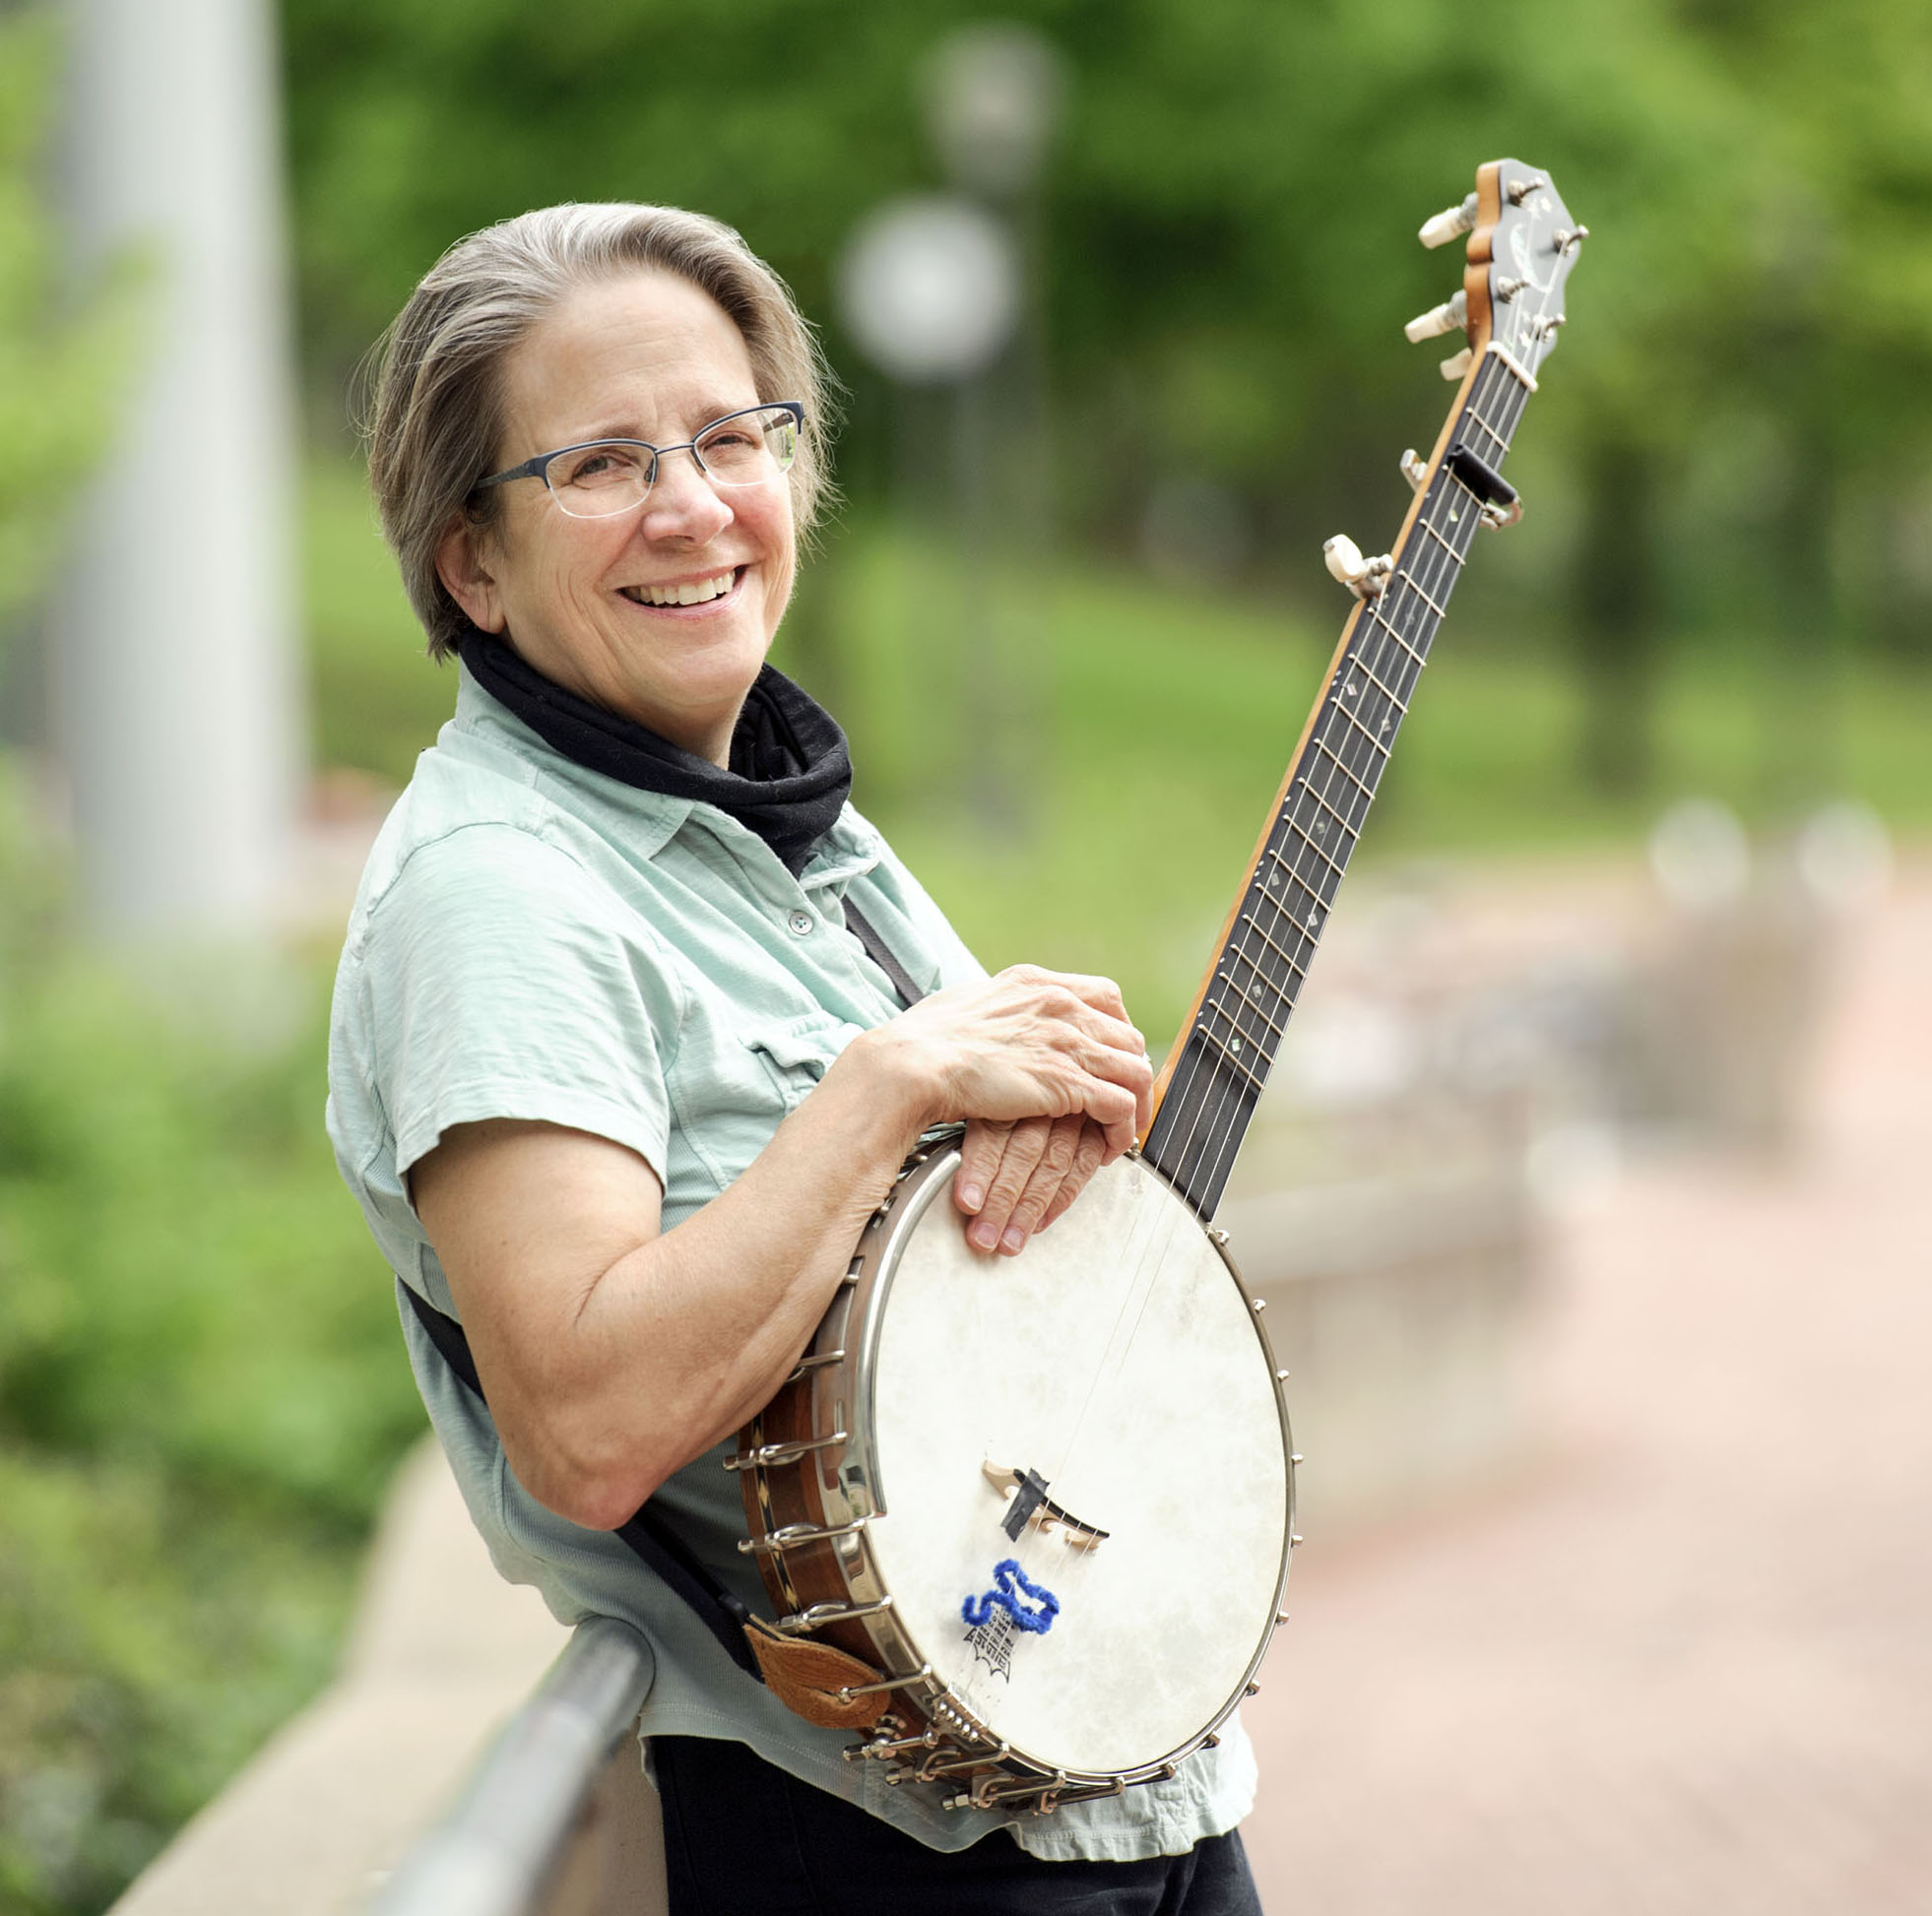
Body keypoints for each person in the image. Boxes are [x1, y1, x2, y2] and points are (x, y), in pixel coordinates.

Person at [327, 202, 1264, 1914]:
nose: (693, 505)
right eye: (600, 463)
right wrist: (885, 1089)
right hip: (877, 1838)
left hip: (1111, 1762)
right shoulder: (497, 893)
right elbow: (587, 1424)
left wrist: (1059, 1109)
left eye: (728, 437)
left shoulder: (788, 824)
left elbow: (953, 1232)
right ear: (472, 563)